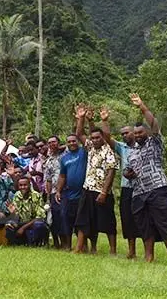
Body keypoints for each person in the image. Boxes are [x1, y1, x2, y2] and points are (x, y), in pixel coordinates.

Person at [126, 94, 167, 266]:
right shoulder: (132, 151)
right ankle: (149, 257)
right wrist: (128, 173)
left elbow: (155, 124)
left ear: (146, 133)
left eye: (141, 132)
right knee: (144, 226)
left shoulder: (155, 142)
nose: (138, 135)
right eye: (136, 133)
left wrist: (142, 106)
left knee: (163, 223)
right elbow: (129, 169)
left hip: (157, 188)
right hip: (139, 192)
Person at [74, 105, 118, 255]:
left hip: (102, 191)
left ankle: (113, 251)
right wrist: (81, 118)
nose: (94, 140)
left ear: (102, 138)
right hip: (88, 189)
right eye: (92, 138)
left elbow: (111, 171)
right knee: (83, 219)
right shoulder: (91, 148)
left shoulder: (109, 150)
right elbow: (79, 134)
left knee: (108, 222)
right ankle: (79, 248)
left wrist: (104, 192)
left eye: (97, 137)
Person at [100, 107, 141, 259]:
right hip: (126, 188)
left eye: (127, 133)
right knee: (127, 218)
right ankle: (132, 251)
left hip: (142, 187)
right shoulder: (121, 148)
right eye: (122, 134)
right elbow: (107, 137)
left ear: (134, 133)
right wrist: (104, 121)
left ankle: (149, 251)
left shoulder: (143, 146)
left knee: (142, 218)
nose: (124, 136)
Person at [55, 134, 87, 251]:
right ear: (66, 143)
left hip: (83, 193)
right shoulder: (64, 158)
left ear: (77, 141)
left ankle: (84, 246)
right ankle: (68, 245)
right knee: (66, 218)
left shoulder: (84, 152)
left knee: (82, 219)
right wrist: (58, 190)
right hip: (68, 194)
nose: (72, 143)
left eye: (74, 141)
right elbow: (62, 176)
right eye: (69, 141)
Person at [6, 177, 48, 246]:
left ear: (29, 185)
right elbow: (17, 217)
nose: (23, 187)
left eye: (25, 185)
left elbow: (39, 217)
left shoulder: (36, 195)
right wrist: (13, 213)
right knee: (9, 224)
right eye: (21, 185)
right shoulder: (17, 195)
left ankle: (36, 244)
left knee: (39, 225)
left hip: (33, 222)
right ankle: (16, 244)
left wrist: (23, 228)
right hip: (22, 222)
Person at [43, 136, 65, 248]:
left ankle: (65, 242)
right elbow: (48, 179)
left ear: (59, 143)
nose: (52, 144)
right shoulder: (49, 161)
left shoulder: (65, 155)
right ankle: (56, 242)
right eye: (49, 142)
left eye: (54, 142)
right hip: (53, 192)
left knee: (63, 217)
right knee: (54, 218)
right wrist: (48, 197)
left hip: (66, 190)